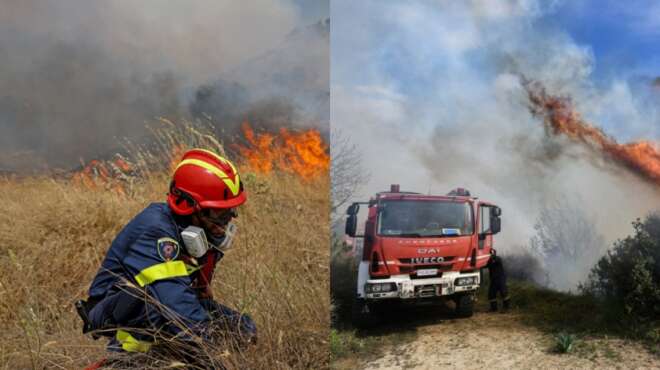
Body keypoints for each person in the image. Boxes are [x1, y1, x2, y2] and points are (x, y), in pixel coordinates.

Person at [77, 148, 256, 355]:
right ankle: (129, 361)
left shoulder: (196, 231)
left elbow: (196, 294)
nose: (225, 223)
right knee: (159, 311)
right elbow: (175, 301)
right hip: (117, 307)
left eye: (229, 212)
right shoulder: (156, 230)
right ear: (189, 206)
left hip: (164, 299)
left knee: (242, 327)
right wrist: (210, 348)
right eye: (218, 213)